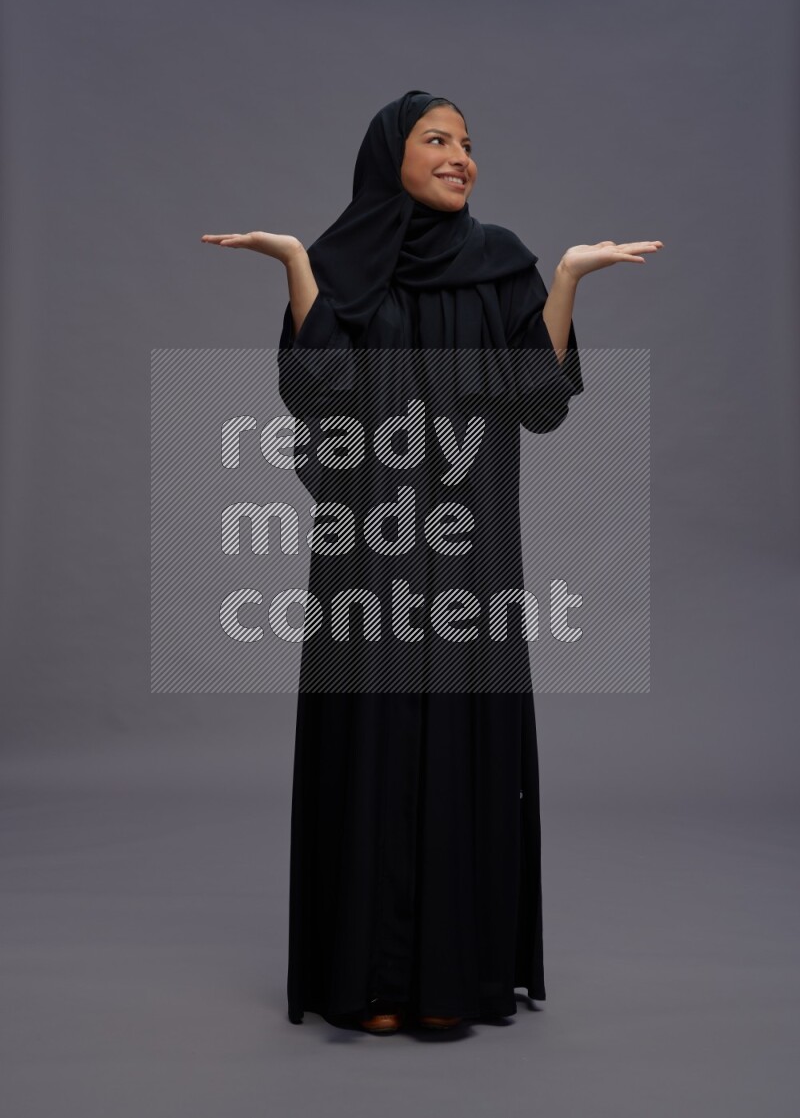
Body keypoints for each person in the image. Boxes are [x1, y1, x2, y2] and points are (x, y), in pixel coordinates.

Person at [202, 90, 663, 1036]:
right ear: (391, 156)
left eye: (468, 144)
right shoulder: (340, 267)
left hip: (471, 557)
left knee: (461, 742)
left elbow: (539, 403)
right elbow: (318, 396)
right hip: (367, 551)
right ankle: (368, 978)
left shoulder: (500, 266)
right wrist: (295, 263)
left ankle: (457, 975)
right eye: (439, 140)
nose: (462, 158)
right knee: (370, 743)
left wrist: (568, 279)